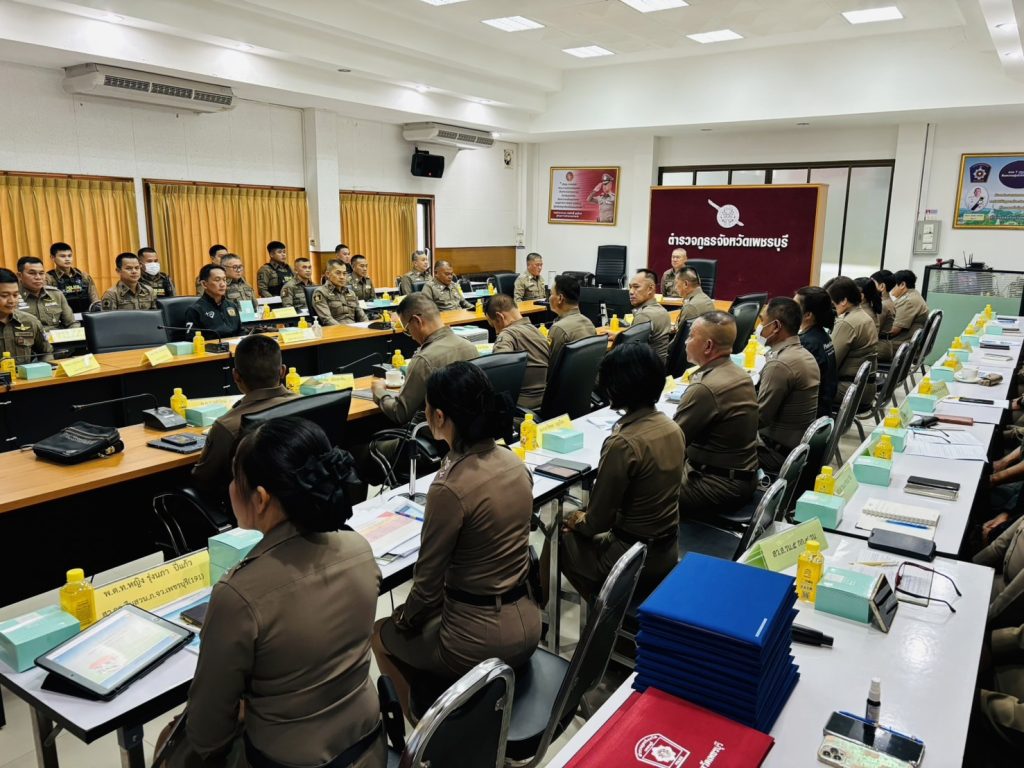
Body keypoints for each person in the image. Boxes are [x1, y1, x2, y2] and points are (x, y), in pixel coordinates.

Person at [181, 417, 385, 767]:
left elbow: (206, 734)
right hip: (366, 744)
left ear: (260, 499)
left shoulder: (238, 594)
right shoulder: (359, 549)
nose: (230, 488)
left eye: (235, 478)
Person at [371, 361, 540, 717]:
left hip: (478, 641)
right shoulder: (514, 463)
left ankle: (423, 736)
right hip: (528, 621)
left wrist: (403, 619)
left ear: (439, 416)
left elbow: (426, 586)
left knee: (380, 633)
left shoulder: (450, 487)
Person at [552, 342, 683, 603]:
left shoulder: (623, 443)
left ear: (615, 387)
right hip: (666, 550)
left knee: (558, 531)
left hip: (631, 559)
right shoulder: (672, 427)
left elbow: (597, 522)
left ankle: (605, 609)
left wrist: (575, 519)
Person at [675, 312, 759, 520]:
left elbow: (671, 442)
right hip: (743, 478)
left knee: (637, 492)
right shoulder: (740, 374)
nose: (685, 341)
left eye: (691, 336)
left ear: (708, 346)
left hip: (715, 486)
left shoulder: (705, 388)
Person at [190, 334, 294, 500]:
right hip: (301, 498)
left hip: (250, 506)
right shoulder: (308, 403)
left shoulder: (227, 426)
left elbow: (203, 480)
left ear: (236, 376)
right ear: (283, 371)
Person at [370, 293, 477, 426]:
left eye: (408, 329)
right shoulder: (470, 347)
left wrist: (379, 392)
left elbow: (400, 413)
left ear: (417, 321)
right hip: (469, 431)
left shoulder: (424, 360)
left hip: (432, 433)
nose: (411, 336)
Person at [755, 298, 821, 474]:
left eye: (762, 320)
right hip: (795, 451)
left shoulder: (780, 364)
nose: (759, 327)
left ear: (776, 326)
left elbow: (758, 419)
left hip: (773, 453)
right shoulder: (804, 354)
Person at [485, 293, 549, 410]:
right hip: (545, 402)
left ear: (500, 317)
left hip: (520, 407)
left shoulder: (507, 335)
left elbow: (499, 374)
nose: (496, 331)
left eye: (493, 325)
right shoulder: (538, 332)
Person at [826, 276, 878, 404]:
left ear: (843, 300)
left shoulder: (847, 323)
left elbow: (830, 363)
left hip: (849, 389)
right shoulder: (864, 316)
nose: (832, 307)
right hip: (864, 388)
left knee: (800, 392)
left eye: (832, 302)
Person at [795, 286, 838, 416]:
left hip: (812, 412)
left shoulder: (807, 343)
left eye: (795, 306)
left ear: (808, 315)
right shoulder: (822, 335)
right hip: (824, 405)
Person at [974, 516, 1024, 630]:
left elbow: (1013, 594)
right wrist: (970, 566)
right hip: (1003, 582)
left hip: (1013, 606)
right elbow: (999, 545)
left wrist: (985, 618)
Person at [0, 268, 52, 364]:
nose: (11, 301)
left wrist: (42, 369)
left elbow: (46, 353)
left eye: (15, 295)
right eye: (4, 296)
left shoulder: (30, 321)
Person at [547, 273, 597, 372]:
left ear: (560, 298)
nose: (549, 298)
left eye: (551, 294)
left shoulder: (559, 328)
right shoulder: (589, 323)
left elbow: (551, 368)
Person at [877, 269, 928, 363]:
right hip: (906, 342)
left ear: (902, 285)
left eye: (893, 285)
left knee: (861, 349)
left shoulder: (908, 301)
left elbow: (893, 331)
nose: (890, 287)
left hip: (902, 346)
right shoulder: (912, 295)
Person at [16, 256, 77, 332]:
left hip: (56, 337)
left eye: (41, 273)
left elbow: (72, 323)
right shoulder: (12, 297)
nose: (38, 277)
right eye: (32, 273)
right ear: (19, 276)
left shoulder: (56, 295)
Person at [186, 264, 243, 338]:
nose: (223, 284)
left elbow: (241, 332)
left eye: (224, 280)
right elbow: (192, 339)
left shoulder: (232, 306)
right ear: (204, 284)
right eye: (217, 280)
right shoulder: (195, 310)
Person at [628, 269, 671, 362]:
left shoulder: (644, 315)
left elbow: (631, 352)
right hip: (658, 366)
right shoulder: (662, 310)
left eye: (636, 287)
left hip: (645, 368)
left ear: (650, 289)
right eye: (630, 287)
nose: (631, 292)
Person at [45, 242, 98, 313]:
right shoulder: (48, 278)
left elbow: (95, 302)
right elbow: (48, 305)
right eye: (63, 256)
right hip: (62, 317)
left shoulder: (84, 276)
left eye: (69, 256)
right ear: (52, 257)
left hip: (86, 316)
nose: (67, 259)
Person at [672, 267, 715, 331]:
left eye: (676, 283)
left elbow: (679, 334)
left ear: (685, 284)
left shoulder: (690, 307)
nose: (675, 288)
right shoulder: (708, 300)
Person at [870, 269, 897, 336]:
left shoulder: (883, 305)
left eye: (871, 284)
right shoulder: (888, 302)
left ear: (882, 286)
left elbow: (873, 331)